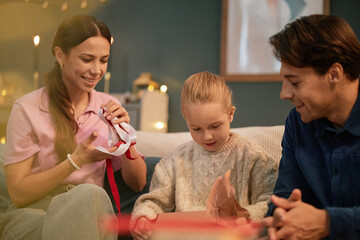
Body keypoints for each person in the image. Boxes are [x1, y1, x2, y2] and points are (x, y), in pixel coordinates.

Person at [0, 14, 147, 240]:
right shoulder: (27, 109)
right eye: (87, 59)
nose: (97, 70)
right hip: (31, 212)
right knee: (85, 205)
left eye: (104, 60)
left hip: (89, 207)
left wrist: (126, 137)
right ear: (60, 55)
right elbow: (19, 194)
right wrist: (75, 161)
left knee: (88, 198)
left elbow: (137, 183)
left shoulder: (108, 107)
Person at [130, 71, 278, 240]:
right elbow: (153, 202)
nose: (207, 136)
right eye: (196, 129)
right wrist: (143, 218)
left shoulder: (253, 158)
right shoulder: (175, 161)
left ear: (230, 113)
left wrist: (242, 214)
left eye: (215, 126)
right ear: (187, 121)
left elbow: (271, 202)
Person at [261, 14, 360, 239]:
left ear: (334, 74)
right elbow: (284, 198)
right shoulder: (298, 124)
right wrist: (281, 218)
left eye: (295, 82)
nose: (284, 94)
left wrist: (328, 223)